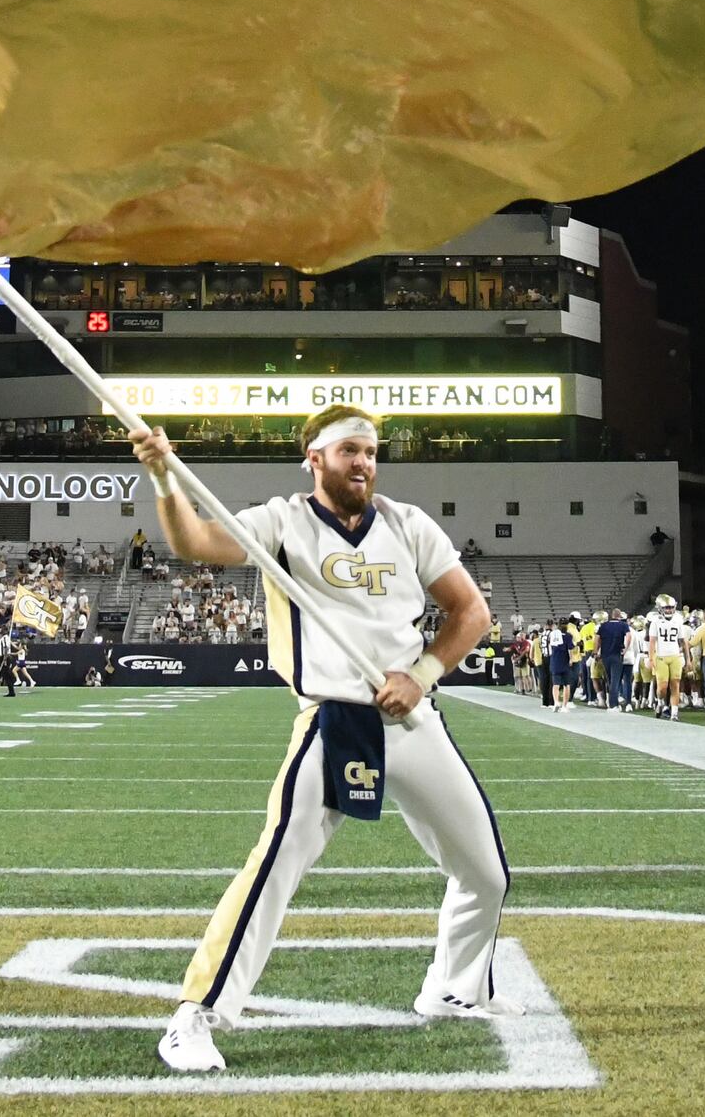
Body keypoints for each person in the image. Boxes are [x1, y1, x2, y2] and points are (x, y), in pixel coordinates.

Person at [130, 409, 503, 1077]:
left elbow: (470, 612)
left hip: (412, 719)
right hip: (334, 718)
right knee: (276, 864)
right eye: (350, 451)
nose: (363, 463)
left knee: (485, 873)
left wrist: (420, 676)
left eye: (371, 452)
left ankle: (454, 989)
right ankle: (195, 1016)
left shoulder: (407, 523)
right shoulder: (283, 521)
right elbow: (197, 543)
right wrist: (163, 477)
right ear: (315, 458)